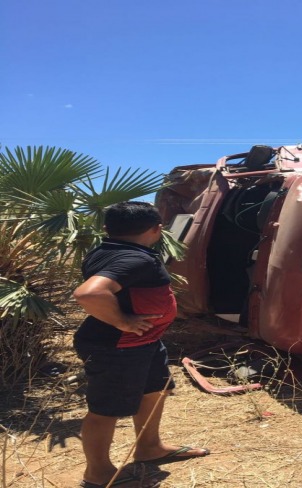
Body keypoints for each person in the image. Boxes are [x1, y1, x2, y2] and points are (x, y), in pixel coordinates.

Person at [73, 202, 210, 488]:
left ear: (106, 229)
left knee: (154, 390)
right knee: (105, 409)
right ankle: (97, 473)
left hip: (144, 341)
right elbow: (89, 294)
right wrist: (123, 321)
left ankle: (149, 448)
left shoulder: (108, 250)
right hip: (118, 346)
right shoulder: (137, 259)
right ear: (157, 230)